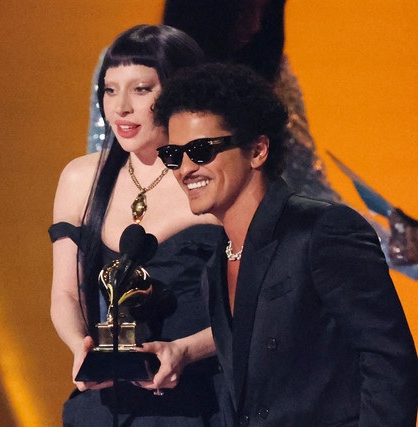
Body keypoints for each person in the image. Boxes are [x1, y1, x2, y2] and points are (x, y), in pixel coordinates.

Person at [153, 63, 418, 426]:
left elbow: (389, 363)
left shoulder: (323, 230)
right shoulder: (217, 262)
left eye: (200, 150)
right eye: (173, 155)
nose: (185, 169)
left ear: (258, 149)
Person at [50, 25, 221, 425]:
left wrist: (186, 351)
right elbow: (65, 293)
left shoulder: (217, 178)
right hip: (109, 408)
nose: (120, 108)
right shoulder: (80, 179)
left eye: (141, 89)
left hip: (203, 401)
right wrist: (80, 346)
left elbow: (255, 306)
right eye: (110, 90)